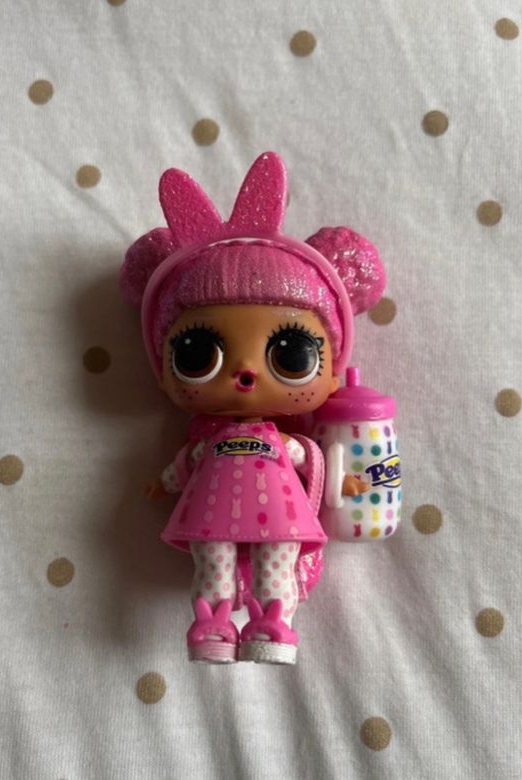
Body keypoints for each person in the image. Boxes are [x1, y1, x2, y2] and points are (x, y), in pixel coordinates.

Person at [119, 151, 385, 664]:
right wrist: (163, 484)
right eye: (196, 355)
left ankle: (273, 624)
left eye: (291, 355)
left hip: (279, 515)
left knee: (276, 563)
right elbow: (186, 464)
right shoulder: (211, 444)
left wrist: (342, 481)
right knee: (213, 563)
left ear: (333, 372)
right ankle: (213, 624)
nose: (245, 371)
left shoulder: (283, 442)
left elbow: (310, 461)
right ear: (162, 371)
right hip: (213, 515)